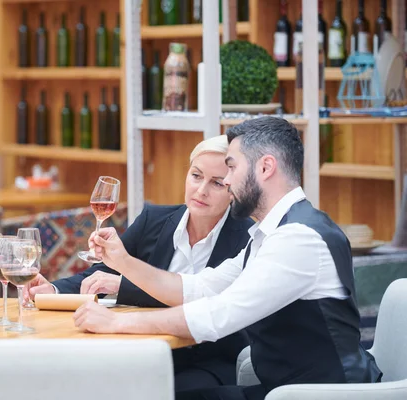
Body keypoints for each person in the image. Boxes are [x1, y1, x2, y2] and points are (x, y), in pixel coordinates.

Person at [72, 116, 382, 400]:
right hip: (286, 389)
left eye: (231, 168)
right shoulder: (272, 233)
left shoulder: (298, 238)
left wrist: (116, 321)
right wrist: (122, 260)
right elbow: (198, 289)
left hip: (325, 394)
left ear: (265, 167)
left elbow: (216, 317)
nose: (228, 181)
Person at [25, 135, 254, 391]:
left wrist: (123, 287)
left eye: (217, 183)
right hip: (141, 351)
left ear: (234, 189)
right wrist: (53, 290)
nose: (201, 190)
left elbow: (204, 300)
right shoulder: (153, 219)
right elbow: (102, 273)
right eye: (196, 176)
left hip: (207, 361)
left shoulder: (248, 237)